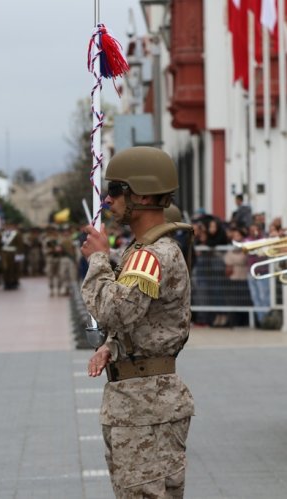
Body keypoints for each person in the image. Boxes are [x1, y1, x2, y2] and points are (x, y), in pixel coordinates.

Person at [80, 146, 195, 497]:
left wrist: (99, 260)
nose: (108, 199)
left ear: (142, 195)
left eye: (116, 190)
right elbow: (146, 324)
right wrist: (113, 347)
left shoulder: (152, 255)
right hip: (140, 399)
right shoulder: (144, 251)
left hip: (144, 405)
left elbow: (115, 311)